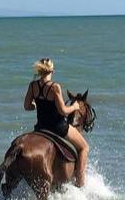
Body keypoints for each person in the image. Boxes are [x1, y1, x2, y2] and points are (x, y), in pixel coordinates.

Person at [23, 58, 89, 187]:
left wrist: (36, 105)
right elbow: (63, 111)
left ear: (40, 70)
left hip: (41, 127)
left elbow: (27, 106)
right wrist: (75, 107)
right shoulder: (54, 87)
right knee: (84, 147)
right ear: (52, 71)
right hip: (58, 127)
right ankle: (80, 184)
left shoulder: (33, 85)